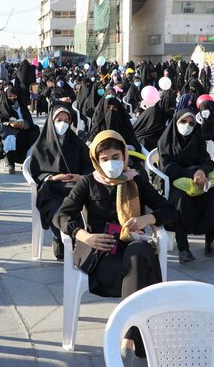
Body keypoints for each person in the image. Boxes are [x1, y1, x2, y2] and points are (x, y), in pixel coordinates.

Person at [53, 130, 176, 363]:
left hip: (132, 243)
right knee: (140, 268)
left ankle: (127, 339)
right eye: (105, 159)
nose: (112, 163)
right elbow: (61, 216)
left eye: (116, 156)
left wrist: (147, 219)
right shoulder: (88, 183)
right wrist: (84, 236)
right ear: (96, 161)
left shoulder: (136, 180)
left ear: (125, 156)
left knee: (140, 254)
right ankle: (138, 339)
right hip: (102, 252)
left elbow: (170, 211)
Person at [158, 109, 214, 263]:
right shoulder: (166, 141)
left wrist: (202, 171)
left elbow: (208, 160)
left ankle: (209, 241)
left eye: (191, 123)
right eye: (183, 122)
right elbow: (167, 167)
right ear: (176, 122)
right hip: (177, 182)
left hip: (200, 180)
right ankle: (183, 248)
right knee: (180, 201)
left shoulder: (197, 139)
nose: (187, 126)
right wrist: (192, 173)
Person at [30, 104, 93, 260]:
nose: (63, 123)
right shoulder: (41, 145)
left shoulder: (76, 142)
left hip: (76, 185)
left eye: (66, 120)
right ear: (52, 121)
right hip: (52, 187)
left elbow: (88, 166)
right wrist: (53, 177)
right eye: (59, 120)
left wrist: (81, 177)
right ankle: (60, 236)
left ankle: (79, 237)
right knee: (55, 206)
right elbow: (36, 171)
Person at [0, 86, 40, 174]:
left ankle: (27, 162)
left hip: (23, 129)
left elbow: (29, 120)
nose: (12, 98)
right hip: (8, 130)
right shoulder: (2, 107)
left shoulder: (22, 106)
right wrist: (9, 124)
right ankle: (11, 163)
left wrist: (23, 124)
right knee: (10, 138)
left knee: (34, 133)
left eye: (14, 96)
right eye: (10, 97)